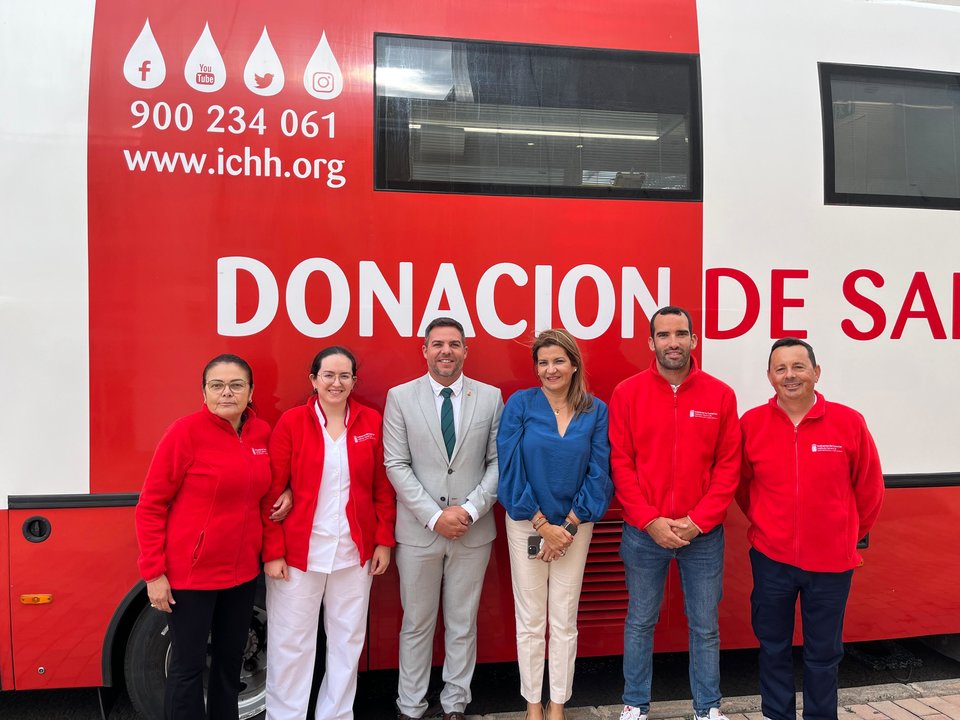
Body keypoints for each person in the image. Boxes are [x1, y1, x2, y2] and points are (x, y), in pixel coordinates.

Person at [738, 337, 884, 720]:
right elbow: (741, 485)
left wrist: (846, 534)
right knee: (773, 647)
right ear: (769, 376)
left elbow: (869, 488)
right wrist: (767, 522)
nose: (790, 376)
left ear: (816, 373)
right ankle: (778, 715)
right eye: (780, 368)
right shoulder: (751, 424)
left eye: (799, 367)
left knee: (824, 653)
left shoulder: (849, 422)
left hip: (832, 562)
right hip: (771, 559)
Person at [608, 306, 741, 720]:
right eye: (664, 335)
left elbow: (728, 466)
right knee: (640, 621)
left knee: (705, 626)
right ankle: (634, 704)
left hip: (702, 535)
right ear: (651, 343)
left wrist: (698, 521)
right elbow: (621, 462)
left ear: (693, 340)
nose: (673, 342)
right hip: (643, 532)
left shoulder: (720, 395)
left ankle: (707, 708)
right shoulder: (627, 393)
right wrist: (650, 520)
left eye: (681, 334)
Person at [136, 354, 275, 720]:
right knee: (187, 668)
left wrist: (286, 494)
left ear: (250, 392)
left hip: (243, 574)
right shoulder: (184, 433)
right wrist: (154, 573)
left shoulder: (261, 434)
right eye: (217, 385)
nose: (226, 393)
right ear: (204, 391)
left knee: (229, 664)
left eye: (236, 385)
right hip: (191, 577)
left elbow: (267, 490)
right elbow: (151, 504)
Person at [261, 347, 396, 720]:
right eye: (328, 375)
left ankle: (335, 715)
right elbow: (272, 492)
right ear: (314, 380)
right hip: (298, 555)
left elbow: (382, 489)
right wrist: (272, 552)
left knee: (347, 642)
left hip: (355, 554)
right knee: (292, 644)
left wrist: (384, 540)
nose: (336, 383)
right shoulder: (292, 423)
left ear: (354, 381)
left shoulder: (370, 421)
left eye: (344, 376)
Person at [383, 316, 503, 720]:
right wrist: (435, 517)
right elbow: (396, 463)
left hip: (473, 531)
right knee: (416, 623)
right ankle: (410, 705)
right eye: (437, 344)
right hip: (419, 533)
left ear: (465, 350)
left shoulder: (490, 397)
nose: (445, 351)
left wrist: (468, 510)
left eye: (454, 344)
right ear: (425, 350)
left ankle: (455, 704)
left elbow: (498, 462)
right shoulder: (400, 397)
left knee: (463, 622)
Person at [497, 329, 613, 720]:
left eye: (558, 361)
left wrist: (569, 525)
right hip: (528, 523)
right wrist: (543, 524)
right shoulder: (520, 404)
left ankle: (558, 703)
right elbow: (509, 468)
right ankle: (533, 704)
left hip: (574, 528)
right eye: (543, 362)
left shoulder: (594, 410)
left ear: (574, 364)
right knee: (530, 618)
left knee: (563, 617)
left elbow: (600, 472)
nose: (550, 369)